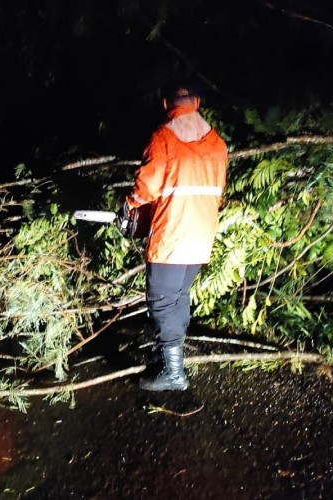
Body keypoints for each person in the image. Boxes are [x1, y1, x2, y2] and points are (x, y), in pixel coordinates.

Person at [124, 83, 228, 391]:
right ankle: (167, 359)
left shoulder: (164, 138)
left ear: (166, 103)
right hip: (201, 238)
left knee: (162, 302)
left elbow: (147, 187)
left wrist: (129, 207)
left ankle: (173, 374)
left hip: (172, 237)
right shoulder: (217, 143)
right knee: (179, 297)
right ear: (197, 102)